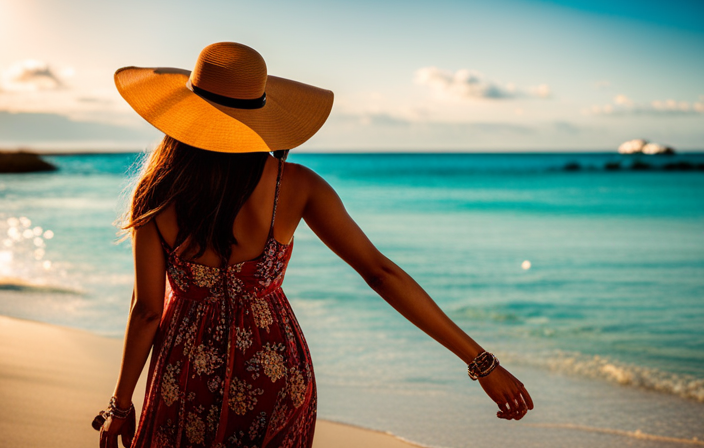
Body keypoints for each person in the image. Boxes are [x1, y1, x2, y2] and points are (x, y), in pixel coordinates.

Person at [96, 42, 533, 448]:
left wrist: (120, 404)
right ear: (261, 113)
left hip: (185, 370)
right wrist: (481, 364)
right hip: (274, 372)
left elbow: (147, 310)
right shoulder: (296, 185)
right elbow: (380, 273)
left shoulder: (157, 192)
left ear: (187, 112)